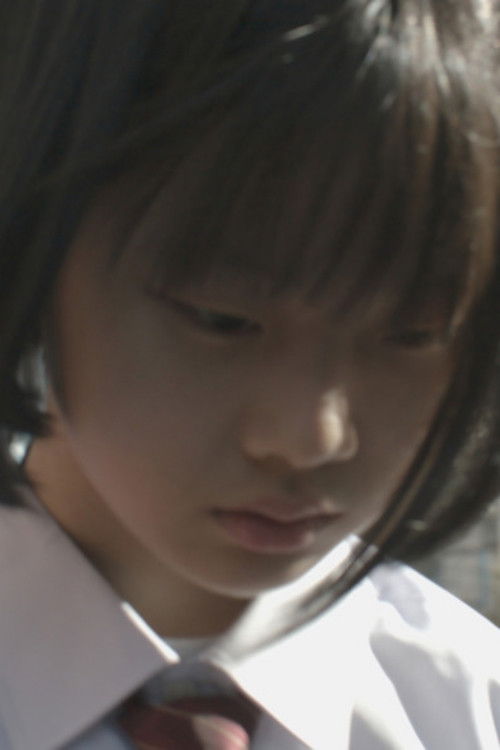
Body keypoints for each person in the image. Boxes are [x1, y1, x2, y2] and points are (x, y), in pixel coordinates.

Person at [0, 1, 499, 748]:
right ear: (35, 243)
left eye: (411, 335)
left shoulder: (468, 713)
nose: (309, 439)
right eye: (221, 319)